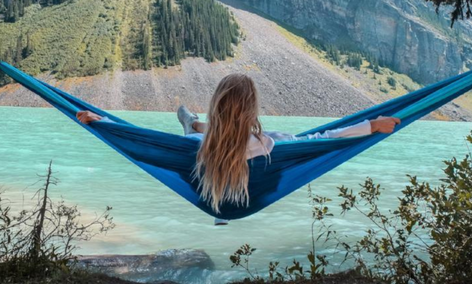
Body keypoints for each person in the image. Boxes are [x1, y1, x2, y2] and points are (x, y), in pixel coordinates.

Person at [76, 74, 400, 224]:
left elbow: (140, 141)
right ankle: (196, 126)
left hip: (209, 181)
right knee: (284, 139)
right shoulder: (270, 146)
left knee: (189, 143)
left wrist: (103, 122)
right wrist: (371, 125)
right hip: (249, 191)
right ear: (251, 110)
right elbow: (324, 140)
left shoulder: (192, 152)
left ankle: (196, 125)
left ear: (216, 105)